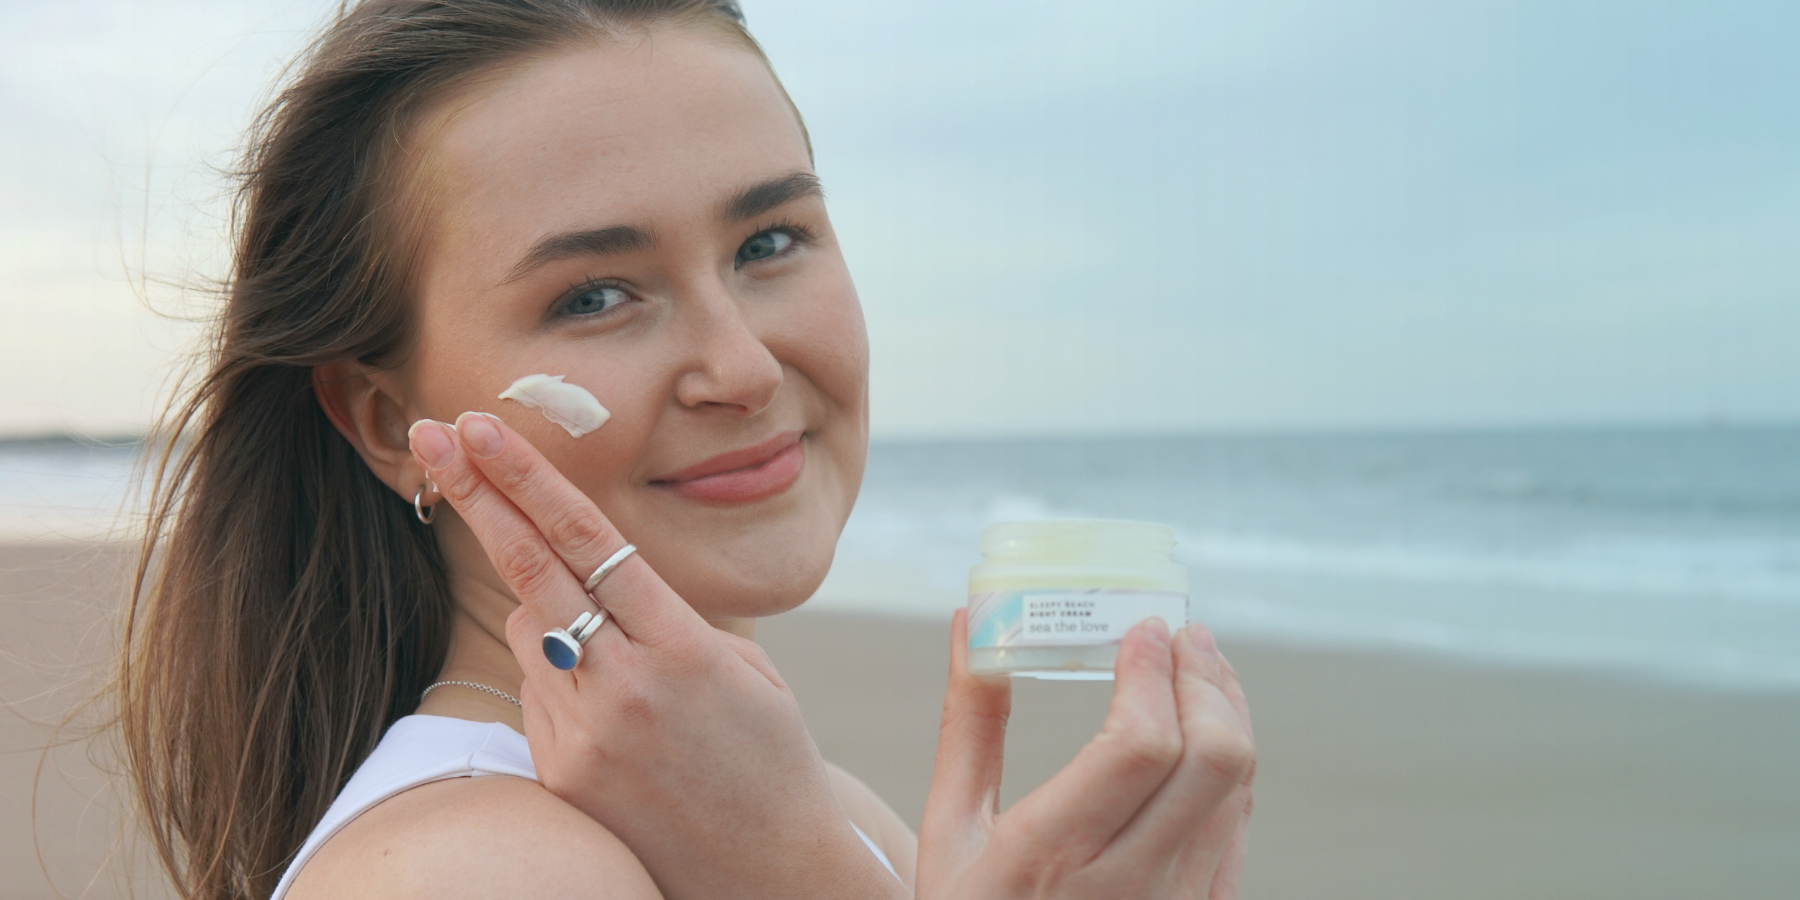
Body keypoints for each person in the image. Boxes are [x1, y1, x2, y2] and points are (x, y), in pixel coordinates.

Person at [119, 2, 1257, 898]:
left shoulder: (812, 809)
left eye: (770, 240)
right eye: (596, 295)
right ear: (382, 423)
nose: (747, 368)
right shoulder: (489, 869)